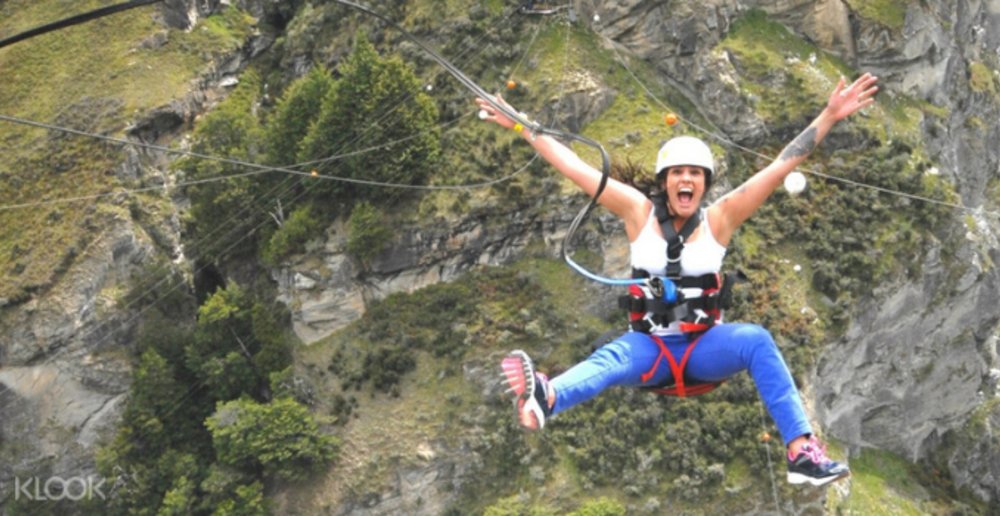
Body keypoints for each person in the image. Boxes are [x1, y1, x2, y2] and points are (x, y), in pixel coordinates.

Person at [477, 72, 879, 486]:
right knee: (611, 358)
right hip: (650, 348)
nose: (686, 180)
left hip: (705, 348)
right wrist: (522, 124)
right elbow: (574, 168)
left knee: (757, 339)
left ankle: (801, 453)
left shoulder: (721, 218)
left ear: (704, 184)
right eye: (677, 173)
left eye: (695, 174)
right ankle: (546, 397)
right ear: (664, 181)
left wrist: (829, 116)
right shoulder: (638, 212)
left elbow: (781, 167)